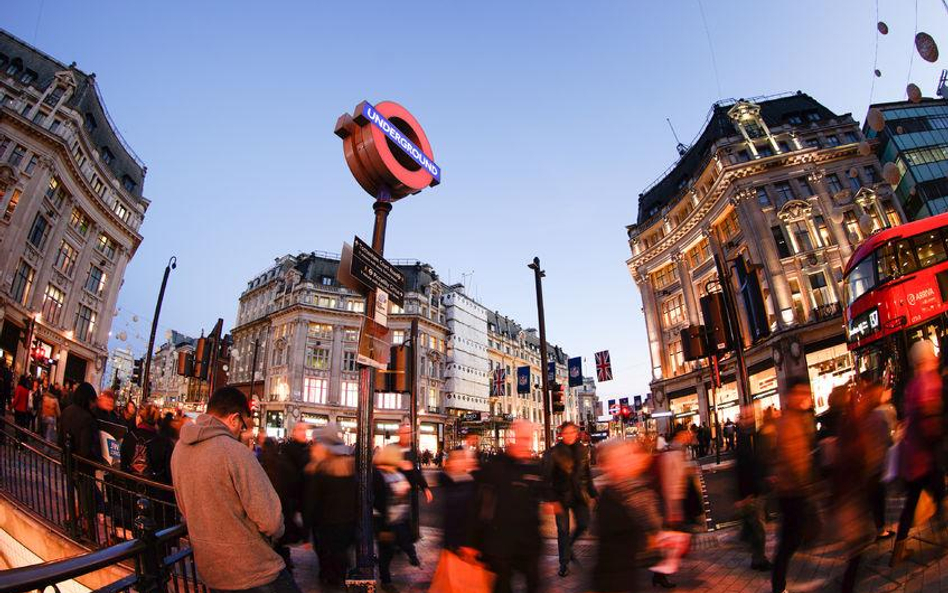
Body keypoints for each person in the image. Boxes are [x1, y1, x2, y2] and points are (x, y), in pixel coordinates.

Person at [170, 386, 298, 593]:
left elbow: (184, 506)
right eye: (243, 425)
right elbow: (271, 521)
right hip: (253, 569)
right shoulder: (236, 453)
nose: (242, 431)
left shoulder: (180, 450)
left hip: (211, 570)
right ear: (234, 418)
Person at [473, 420, 550, 593]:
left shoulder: (535, 467)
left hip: (529, 540)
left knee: (533, 583)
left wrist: (552, 502)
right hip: (500, 541)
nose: (525, 443)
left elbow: (544, 491)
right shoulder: (496, 465)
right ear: (512, 438)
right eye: (522, 438)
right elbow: (478, 502)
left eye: (528, 439)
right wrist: (474, 541)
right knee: (502, 585)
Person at [891, 340, 945, 566]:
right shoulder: (927, 381)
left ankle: (898, 551)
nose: (935, 358)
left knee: (912, 502)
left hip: (912, 455)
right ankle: (943, 532)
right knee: (938, 493)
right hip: (925, 454)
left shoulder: (912, 384)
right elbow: (929, 418)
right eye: (932, 355)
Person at [589, 439, 663, 593]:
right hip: (615, 578)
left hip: (622, 575)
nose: (632, 460)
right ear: (611, 464)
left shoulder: (633, 490)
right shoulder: (618, 496)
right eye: (624, 457)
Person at [771, 379, 817, 593]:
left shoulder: (797, 419)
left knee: (791, 539)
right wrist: (803, 484)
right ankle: (778, 586)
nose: (805, 397)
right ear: (790, 396)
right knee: (789, 541)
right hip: (791, 491)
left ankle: (779, 584)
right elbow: (792, 457)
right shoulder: (789, 422)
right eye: (800, 393)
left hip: (794, 489)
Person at [303, 423, 356, 588]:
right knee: (340, 556)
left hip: (326, 524)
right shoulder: (350, 466)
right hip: (347, 522)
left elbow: (310, 502)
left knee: (328, 562)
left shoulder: (319, 470)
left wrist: (307, 529)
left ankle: (332, 579)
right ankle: (339, 576)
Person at [544, 421, 597, 577]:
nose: (569, 436)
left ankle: (569, 547)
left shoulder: (583, 450)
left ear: (576, 433)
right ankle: (564, 563)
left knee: (584, 523)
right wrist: (551, 499)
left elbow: (586, 474)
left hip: (579, 495)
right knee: (562, 531)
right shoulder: (553, 452)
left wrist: (593, 492)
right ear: (561, 434)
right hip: (560, 496)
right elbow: (546, 478)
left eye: (571, 432)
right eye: (565, 433)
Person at [374, 443, 420, 589]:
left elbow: (412, 484)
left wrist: (410, 471)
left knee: (401, 542)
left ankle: (412, 556)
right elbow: (379, 500)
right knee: (386, 551)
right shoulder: (378, 474)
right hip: (386, 520)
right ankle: (386, 580)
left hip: (400, 518)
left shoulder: (398, 472)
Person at [735, 406, 770, 571]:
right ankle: (758, 559)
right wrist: (745, 495)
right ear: (741, 420)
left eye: (751, 416)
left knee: (756, 525)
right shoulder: (743, 440)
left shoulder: (752, 436)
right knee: (759, 529)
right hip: (751, 492)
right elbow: (742, 469)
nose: (750, 419)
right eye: (746, 417)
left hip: (756, 489)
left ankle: (754, 551)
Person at [259, 437, 302, 571]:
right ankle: (285, 563)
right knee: (282, 540)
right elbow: (295, 485)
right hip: (283, 507)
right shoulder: (284, 464)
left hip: (266, 508)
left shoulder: (259, 465)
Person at [120, 403, 173, 484]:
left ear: (141, 418)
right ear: (156, 421)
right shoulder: (164, 442)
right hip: (155, 489)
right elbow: (168, 471)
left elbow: (123, 464)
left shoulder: (129, 436)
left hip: (131, 486)